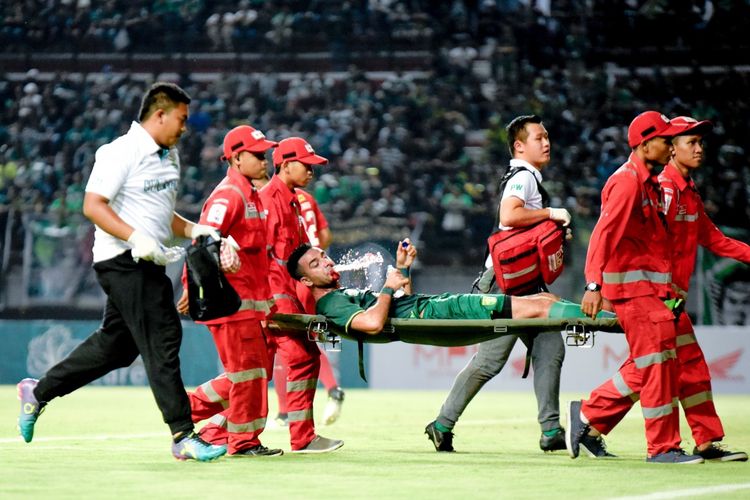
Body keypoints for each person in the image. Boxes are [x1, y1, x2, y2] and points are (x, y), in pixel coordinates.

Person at [16, 82, 227, 461]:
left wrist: (193, 228)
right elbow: (93, 206)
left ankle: (38, 392)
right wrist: (134, 237)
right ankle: (183, 433)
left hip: (147, 261)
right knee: (163, 337)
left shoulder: (170, 157)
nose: (184, 128)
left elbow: (161, 217)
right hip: (121, 261)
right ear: (159, 114)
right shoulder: (119, 152)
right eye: (180, 119)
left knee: (117, 347)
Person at [426, 115, 573, 453]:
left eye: (547, 135)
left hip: (525, 285)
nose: (546, 142)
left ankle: (551, 432)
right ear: (519, 146)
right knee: (490, 361)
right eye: (539, 137)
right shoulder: (524, 177)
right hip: (503, 287)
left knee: (550, 349)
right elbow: (509, 215)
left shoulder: (526, 176)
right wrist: (552, 214)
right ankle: (442, 424)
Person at [567, 110, 705, 464]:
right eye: (664, 140)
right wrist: (593, 284)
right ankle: (663, 448)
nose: (670, 146)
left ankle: (588, 418)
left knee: (650, 365)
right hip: (632, 292)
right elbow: (604, 234)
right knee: (658, 361)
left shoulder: (648, 183)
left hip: (649, 292)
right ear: (645, 145)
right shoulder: (628, 182)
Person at [176, 124, 284, 457]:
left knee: (250, 374)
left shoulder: (249, 194)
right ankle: (241, 441)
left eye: (265, 154)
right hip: (231, 305)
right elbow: (201, 242)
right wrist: (190, 288)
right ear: (237, 158)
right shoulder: (228, 196)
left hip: (248, 305)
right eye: (258, 155)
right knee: (247, 374)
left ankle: (189, 414)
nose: (265, 160)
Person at [656, 116, 747, 461]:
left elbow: (716, 241)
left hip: (672, 299)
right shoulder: (664, 189)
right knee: (649, 370)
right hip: (658, 297)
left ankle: (707, 441)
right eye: (690, 142)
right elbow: (650, 243)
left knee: (684, 366)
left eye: (700, 142)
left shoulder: (687, 192)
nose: (699, 148)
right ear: (672, 148)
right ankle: (590, 418)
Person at [287, 240, 611, 335]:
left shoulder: (340, 295)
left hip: (429, 308)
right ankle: (617, 320)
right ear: (304, 281)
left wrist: (401, 269)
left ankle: (613, 314)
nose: (328, 263)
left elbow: (402, 304)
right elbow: (372, 324)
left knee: (544, 298)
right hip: (437, 311)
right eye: (316, 265)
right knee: (540, 307)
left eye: (325, 257)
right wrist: (387, 287)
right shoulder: (330, 305)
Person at [259, 137, 343, 453]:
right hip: (272, 296)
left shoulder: (292, 200)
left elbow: (303, 252)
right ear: (286, 164)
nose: (311, 171)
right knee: (297, 357)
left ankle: (215, 428)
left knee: (258, 371)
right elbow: (261, 256)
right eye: (306, 165)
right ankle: (198, 420)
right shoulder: (269, 200)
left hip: (286, 293)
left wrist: (325, 273)